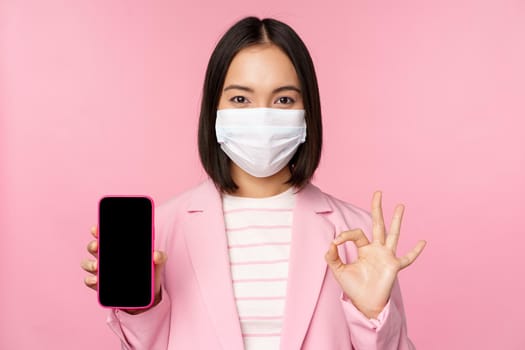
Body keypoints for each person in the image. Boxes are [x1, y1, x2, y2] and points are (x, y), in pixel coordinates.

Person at [81, 16, 426, 350]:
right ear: (214, 110)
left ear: (308, 113)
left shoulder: (357, 235)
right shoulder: (162, 233)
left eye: (284, 100)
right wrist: (144, 306)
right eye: (241, 99)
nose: (262, 115)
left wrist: (373, 315)